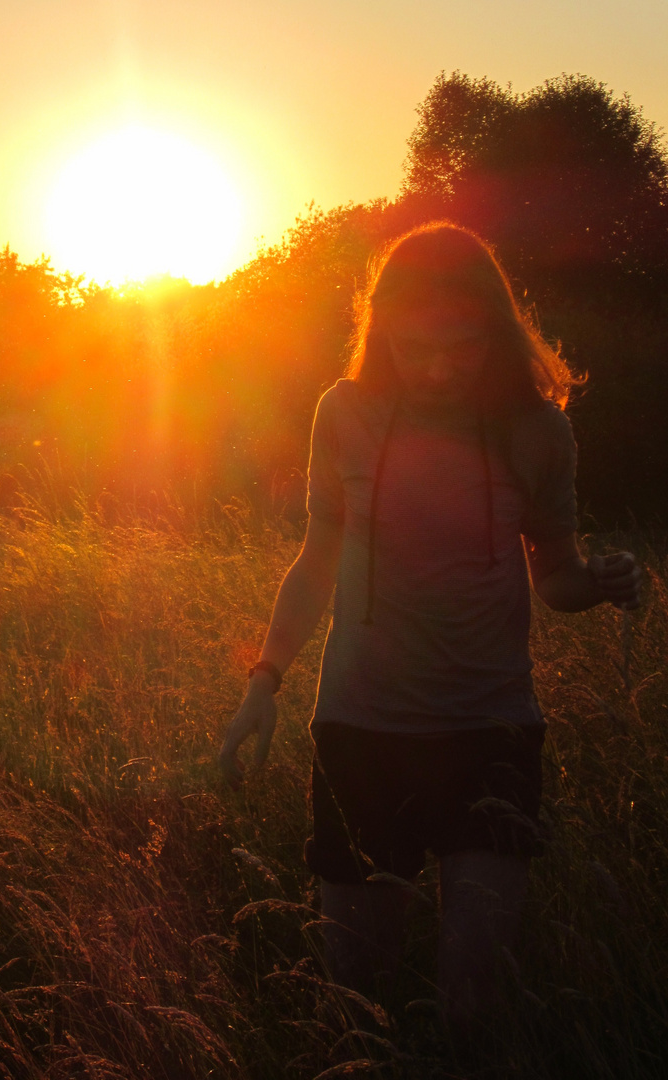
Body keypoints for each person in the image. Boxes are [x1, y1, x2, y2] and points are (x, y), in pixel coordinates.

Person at [217, 222, 642, 1033]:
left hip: (491, 728)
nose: (440, 368)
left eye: (464, 344)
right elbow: (315, 562)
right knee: (355, 997)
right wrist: (262, 681)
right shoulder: (342, 413)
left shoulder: (538, 429)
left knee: (474, 1002)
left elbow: (553, 576)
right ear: (382, 336)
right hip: (359, 726)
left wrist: (597, 583)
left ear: (496, 329)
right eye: (415, 348)